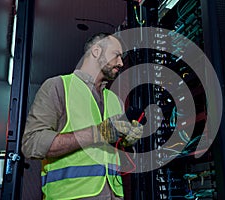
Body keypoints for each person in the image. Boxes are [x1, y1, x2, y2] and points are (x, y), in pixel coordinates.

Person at [22, 33, 143, 200]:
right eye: (117, 55)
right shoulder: (58, 86)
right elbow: (32, 144)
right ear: (96, 51)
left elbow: (114, 153)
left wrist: (127, 141)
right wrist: (97, 133)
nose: (121, 63)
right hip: (69, 196)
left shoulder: (115, 100)